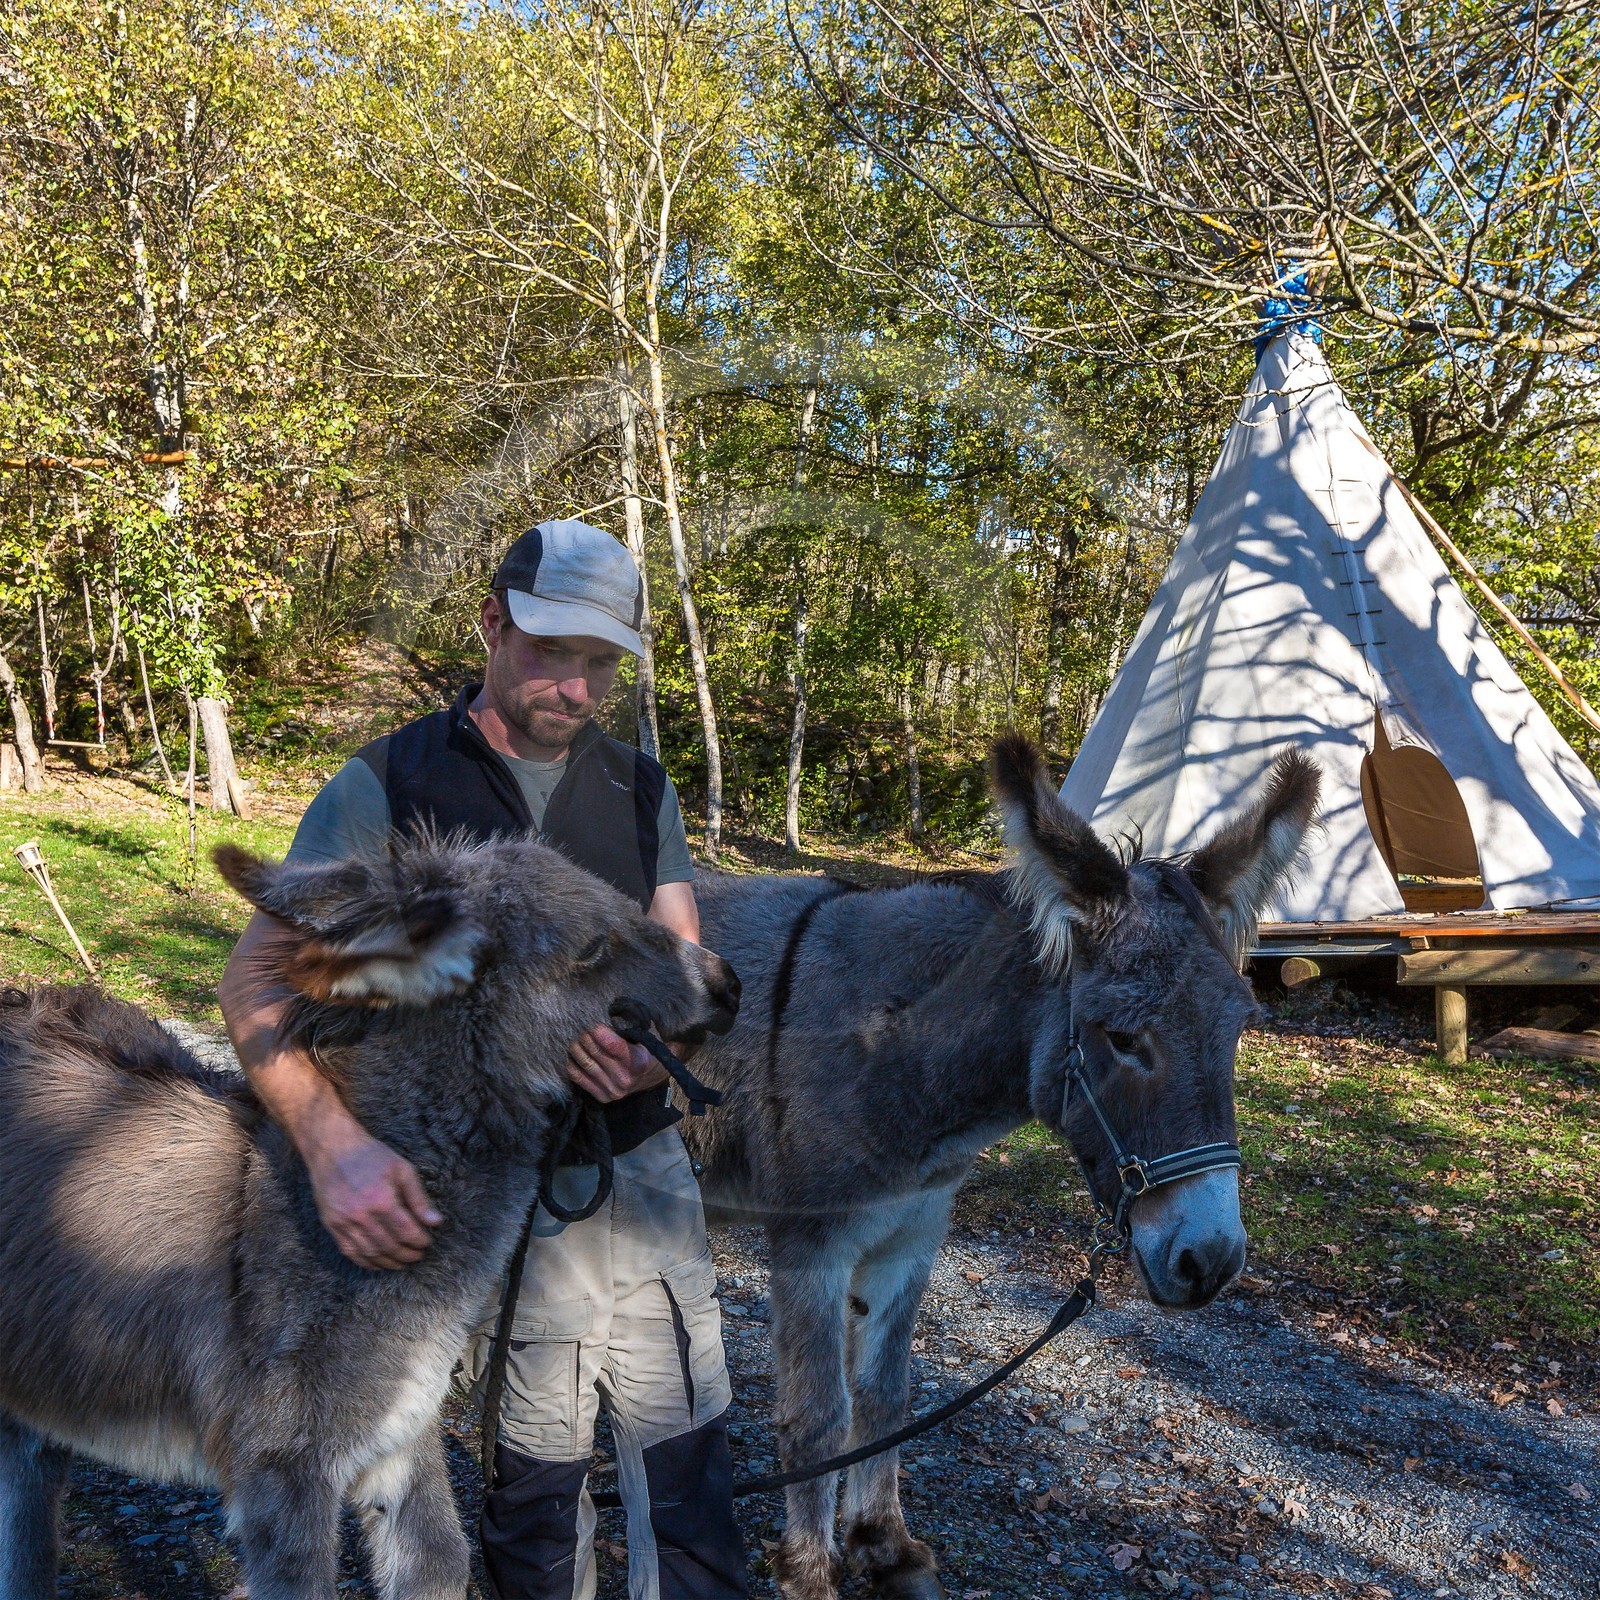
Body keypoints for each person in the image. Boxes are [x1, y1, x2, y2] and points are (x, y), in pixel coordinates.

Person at [218, 519, 747, 1600]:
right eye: (553, 651)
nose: (577, 687)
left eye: (601, 662)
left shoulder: (640, 788)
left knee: (686, 1447)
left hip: (638, 1167)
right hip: (476, 1182)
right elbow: (254, 986)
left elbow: (687, 970)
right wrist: (332, 1150)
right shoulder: (390, 782)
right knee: (533, 1468)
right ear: (493, 624)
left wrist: (656, 1061)